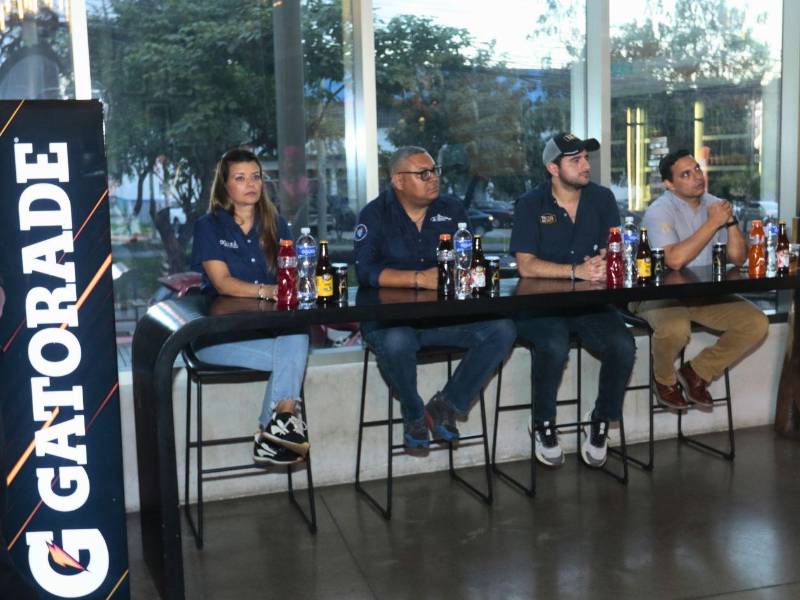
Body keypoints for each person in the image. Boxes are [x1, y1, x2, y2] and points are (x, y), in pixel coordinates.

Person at [354, 146, 516, 449]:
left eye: (435, 171)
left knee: (502, 329)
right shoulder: (374, 214)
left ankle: (445, 407)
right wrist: (419, 279)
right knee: (397, 342)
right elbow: (365, 272)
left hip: (443, 317)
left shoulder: (452, 209)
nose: (434, 178)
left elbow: (469, 260)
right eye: (423, 173)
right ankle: (415, 414)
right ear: (399, 181)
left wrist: (474, 273)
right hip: (391, 322)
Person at [510, 133, 636, 469]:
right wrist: (575, 271)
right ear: (553, 168)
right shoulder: (530, 204)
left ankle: (601, 420)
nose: (585, 165)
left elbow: (611, 248)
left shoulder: (602, 198)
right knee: (553, 345)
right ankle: (543, 422)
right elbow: (526, 265)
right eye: (575, 160)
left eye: (586, 158)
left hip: (590, 303)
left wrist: (604, 261)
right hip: (541, 305)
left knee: (623, 345)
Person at [191, 148, 310, 465]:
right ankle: (276, 430)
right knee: (292, 356)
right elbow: (222, 283)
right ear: (225, 186)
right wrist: (266, 291)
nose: (251, 184)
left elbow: (290, 277)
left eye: (256, 177)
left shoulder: (277, 225)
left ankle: (279, 425)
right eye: (240, 178)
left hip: (267, 334)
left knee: (297, 336)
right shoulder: (208, 226)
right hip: (218, 338)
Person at [632, 149, 769, 410]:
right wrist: (712, 223)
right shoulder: (659, 211)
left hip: (703, 294)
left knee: (756, 323)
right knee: (676, 328)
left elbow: (739, 258)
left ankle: (697, 372)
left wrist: (730, 222)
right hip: (659, 295)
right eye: (685, 174)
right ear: (669, 184)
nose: (697, 177)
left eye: (696, 169)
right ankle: (664, 380)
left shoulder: (715, 204)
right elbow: (674, 261)